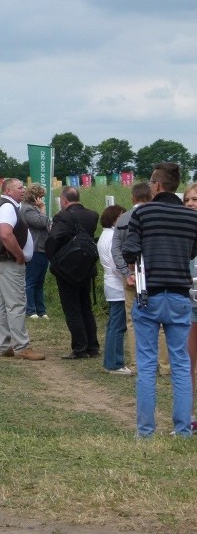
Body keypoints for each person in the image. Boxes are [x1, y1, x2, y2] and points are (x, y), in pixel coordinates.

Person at [122, 162, 197, 438]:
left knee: (146, 361)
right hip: (179, 296)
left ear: (156, 185)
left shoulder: (143, 213)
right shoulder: (191, 217)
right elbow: (192, 253)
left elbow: (130, 251)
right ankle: (183, 428)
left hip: (149, 295)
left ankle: (145, 430)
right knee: (180, 362)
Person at [0, 178, 45, 360]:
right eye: (19, 188)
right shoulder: (8, 207)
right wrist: (19, 255)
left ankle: (3, 346)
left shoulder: (3, 206)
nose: (23, 190)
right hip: (7, 261)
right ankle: (22, 346)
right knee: (16, 303)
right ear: (8, 191)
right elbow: (6, 233)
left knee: (0, 304)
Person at [111, 182, 164, 374]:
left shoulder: (123, 218)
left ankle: (137, 365)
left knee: (132, 322)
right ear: (151, 197)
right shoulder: (157, 216)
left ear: (133, 198)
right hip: (157, 274)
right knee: (161, 323)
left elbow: (115, 249)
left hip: (132, 275)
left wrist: (126, 272)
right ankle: (165, 366)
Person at [46, 186, 100, 360]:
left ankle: (79, 347)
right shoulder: (92, 215)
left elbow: (54, 238)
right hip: (87, 266)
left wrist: (54, 258)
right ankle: (93, 346)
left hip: (68, 268)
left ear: (64, 200)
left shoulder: (62, 216)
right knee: (86, 306)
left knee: (72, 308)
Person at [98, 204, 129, 374]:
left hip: (112, 283)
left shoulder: (106, 235)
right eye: (121, 217)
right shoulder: (112, 237)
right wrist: (127, 278)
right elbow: (115, 263)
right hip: (117, 285)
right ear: (113, 219)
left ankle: (111, 361)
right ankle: (114, 363)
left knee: (114, 325)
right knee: (118, 326)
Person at [20, 183, 50, 319]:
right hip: (35, 248)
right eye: (41, 197)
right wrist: (43, 209)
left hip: (42, 248)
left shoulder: (32, 209)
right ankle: (31, 310)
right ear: (35, 197)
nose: (42, 199)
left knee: (39, 281)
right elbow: (41, 223)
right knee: (31, 280)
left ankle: (41, 310)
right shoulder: (28, 210)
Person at [183, 182, 197, 432]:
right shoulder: (182, 229)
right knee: (188, 361)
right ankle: (190, 414)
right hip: (189, 302)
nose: (191, 203)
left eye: (195, 199)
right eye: (188, 200)